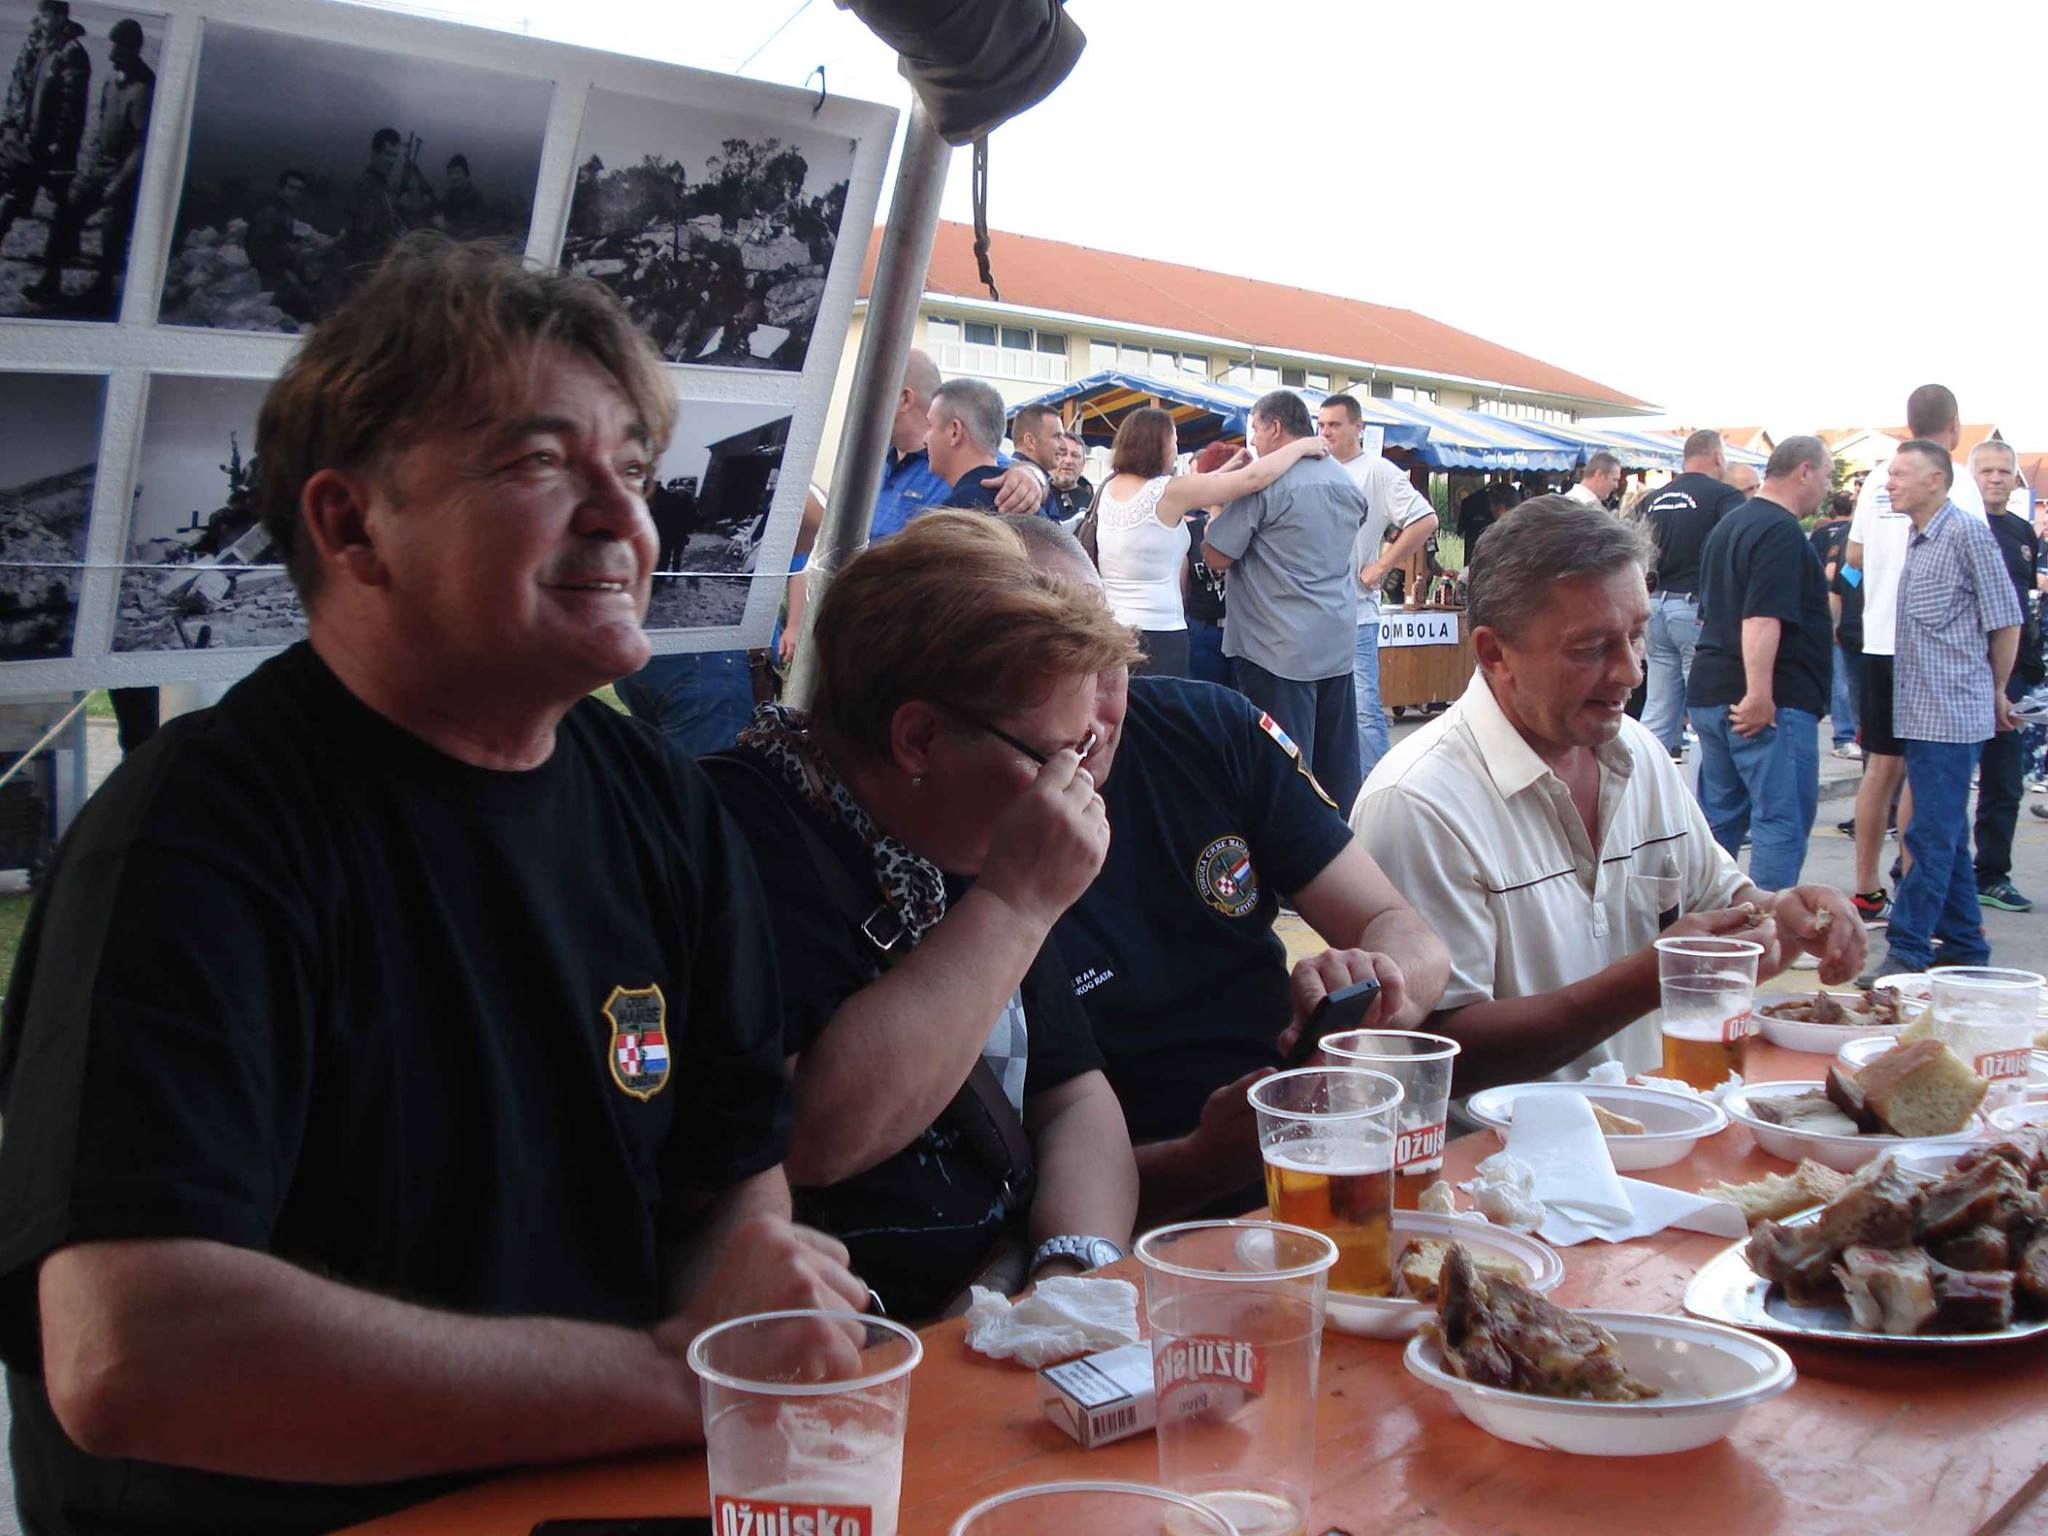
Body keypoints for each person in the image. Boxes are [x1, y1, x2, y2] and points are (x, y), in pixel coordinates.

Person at [0, 237, 868, 1535]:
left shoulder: (661, 802)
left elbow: (730, 1171)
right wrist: (670, 1378)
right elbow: (132, 1352)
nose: (625, 517)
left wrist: (746, 1298)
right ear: (351, 525)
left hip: (595, 1493)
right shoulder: (199, 833)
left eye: (633, 470)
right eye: (538, 463)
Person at [702, 512, 1139, 1319]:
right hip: (853, 1345)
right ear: (919, 738)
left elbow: (1074, 1096)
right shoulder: (738, 838)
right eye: (1057, 755)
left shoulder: (968, 823)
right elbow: (816, 1138)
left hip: (1009, 1299)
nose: (1076, 785)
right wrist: (1015, 906)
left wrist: (1072, 1278)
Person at [992, 517, 1448, 1222]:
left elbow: (1403, 931)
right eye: (1046, 678)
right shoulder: (961, 826)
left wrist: (1382, 989)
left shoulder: (1209, 729)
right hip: (1116, 1214)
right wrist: (1205, 1160)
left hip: (1299, 1160)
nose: (1093, 719)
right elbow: (1011, 1189)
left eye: (1106, 662)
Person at [1351, 497, 1863, 1090]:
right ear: (1495, 652)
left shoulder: (1637, 752)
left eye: (1637, 636)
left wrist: (1786, 916)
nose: (1632, 672)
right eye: (1591, 648)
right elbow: (1435, 1056)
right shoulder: (1417, 802)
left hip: (1659, 1119)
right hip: (1502, 1147)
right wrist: (1646, 980)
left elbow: (1722, 899)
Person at [1844, 384, 1989, 922]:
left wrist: (1878, 577)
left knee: (1880, 768)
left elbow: (1852, 557)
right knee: (1921, 774)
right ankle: (1913, 885)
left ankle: (1865, 888)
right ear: (1954, 427)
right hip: (1932, 649)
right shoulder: (1955, 480)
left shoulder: (1880, 478)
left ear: (1908, 425)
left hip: (1879, 638)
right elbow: (1978, 563)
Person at [1878, 440, 2022, 976]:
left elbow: (2006, 619)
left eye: (1901, 474)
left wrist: (1997, 690)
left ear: (1936, 480)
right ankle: (1964, 944)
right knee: (1947, 836)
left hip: (1952, 712)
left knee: (1929, 836)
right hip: (1922, 711)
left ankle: (1909, 946)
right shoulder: (1919, 537)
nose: (1890, 483)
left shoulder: (1966, 533)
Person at [1204, 389, 1370, 815]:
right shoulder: (1343, 480)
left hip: (1275, 646)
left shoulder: (1266, 482)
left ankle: (1290, 853)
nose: (1254, 441)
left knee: (1283, 774)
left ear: (1275, 427)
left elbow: (1216, 555)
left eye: (1256, 430)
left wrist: (1218, 505)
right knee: (1335, 772)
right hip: (1335, 641)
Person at [1686, 436, 1837, 890]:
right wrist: (1759, 693)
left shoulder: (1728, 526)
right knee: (1780, 822)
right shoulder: (1781, 532)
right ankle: (1771, 922)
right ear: (1804, 470)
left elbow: (1708, 613)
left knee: (1720, 821)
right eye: (1828, 475)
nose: (1828, 488)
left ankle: (1714, 915)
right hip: (1766, 702)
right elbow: (1761, 617)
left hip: (1713, 690)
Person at [1095, 406, 1326, 679]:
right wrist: (1301, 446)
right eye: (1174, 441)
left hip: (1112, 630)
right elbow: (1254, 478)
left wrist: (1226, 468)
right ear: (1158, 444)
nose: (1175, 449)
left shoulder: (1108, 488)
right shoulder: (1167, 491)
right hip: (1159, 634)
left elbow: (1203, 485)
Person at [1318, 395, 1438, 779]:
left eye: (1335, 424)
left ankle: (1381, 786)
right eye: (1321, 425)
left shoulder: (1377, 470)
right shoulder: (1311, 466)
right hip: (1310, 611)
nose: (1326, 432)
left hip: (1355, 611)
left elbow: (1425, 519)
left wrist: (1383, 565)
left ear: (1358, 428)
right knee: (1322, 709)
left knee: (1364, 709)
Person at [1636, 430, 1747, 757]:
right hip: (1694, 608)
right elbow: (1737, 547)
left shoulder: (1652, 499)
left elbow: (1630, 549)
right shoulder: (1725, 497)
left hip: (1654, 606)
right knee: (1704, 710)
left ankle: (1641, 778)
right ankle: (1703, 786)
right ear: (1717, 457)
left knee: (1658, 706)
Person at [31, 15, 149, 313]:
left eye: (118, 51)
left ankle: (101, 291)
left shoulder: (145, 89)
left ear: (134, 49)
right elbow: (102, 123)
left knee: (111, 234)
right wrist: (89, 164)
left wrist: (119, 182)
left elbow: (141, 144)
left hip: (121, 174)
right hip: (95, 167)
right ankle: (50, 281)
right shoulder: (111, 79)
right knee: (64, 216)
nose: (111, 56)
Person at [1972, 440, 2042, 912]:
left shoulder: (2021, 532)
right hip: (1962, 673)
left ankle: (1992, 874)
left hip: (2012, 675)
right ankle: (1924, 874)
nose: (1996, 479)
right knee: (1940, 782)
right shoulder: (1961, 525)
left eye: (2004, 472)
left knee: (2004, 782)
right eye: (1987, 470)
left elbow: (2022, 603)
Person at [867, 350, 1042, 538]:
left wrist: (1032, 476)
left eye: (872, 391)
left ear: (904, 399)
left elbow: (1000, 474)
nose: (861, 402)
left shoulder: (974, 475)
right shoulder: (876, 461)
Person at [0, 0, 88, 262]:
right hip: (32, 135)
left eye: (46, 16)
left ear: (60, 17)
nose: (40, 21)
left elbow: (70, 105)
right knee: (20, 188)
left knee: (60, 196)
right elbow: (27, 88)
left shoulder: (71, 53)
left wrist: (59, 142)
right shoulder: (45, 47)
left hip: (53, 141)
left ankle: (63, 250)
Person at [1811, 490, 1861, 758]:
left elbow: (1831, 576)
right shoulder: (1849, 536)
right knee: (1846, 683)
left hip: (1847, 621)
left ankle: (1847, 737)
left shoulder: (1834, 535)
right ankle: (1848, 736)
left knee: (1844, 683)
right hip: (1859, 624)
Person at [1183, 441, 1236, 687]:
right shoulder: (1190, 530)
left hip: (1244, 632)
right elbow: (1182, 589)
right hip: (1203, 630)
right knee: (1203, 698)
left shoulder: (1253, 528)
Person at [245, 168, 318, 322]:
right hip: (266, 274)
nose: (295, 193)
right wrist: (288, 254)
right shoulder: (271, 212)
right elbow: (259, 248)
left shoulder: (285, 211)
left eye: (299, 190)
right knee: (301, 302)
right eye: (292, 188)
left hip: (279, 267)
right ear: (281, 188)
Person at [1007, 403, 1067, 518]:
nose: (1064, 446)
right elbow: (1042, 529)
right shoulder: (1021, 485)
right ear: (1030, 441)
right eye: (1057, 436)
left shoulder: (1036, 479)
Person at [1050, 430, 1095, 524]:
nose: (1068, 461)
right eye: (1062, 454)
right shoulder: (1037, 496)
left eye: (1075, 455)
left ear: (1083, 465)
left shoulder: (1092, 505)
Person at [439, 152, 483, 237]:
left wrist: (448, 226)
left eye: (458, 173)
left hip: (468, 241)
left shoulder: (475, 195)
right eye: (451, 173)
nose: (454, 177)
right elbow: (442, 211)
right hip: (448, 239)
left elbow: (478, 228)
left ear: (466, 174)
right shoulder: (449, 193)